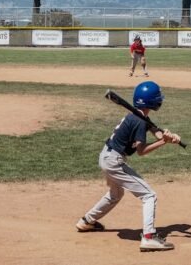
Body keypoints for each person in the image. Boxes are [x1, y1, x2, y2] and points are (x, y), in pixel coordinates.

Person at [75, 81, 182, 252]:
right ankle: (148, 238)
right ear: (152, 101)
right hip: (114, 161)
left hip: (106, 157)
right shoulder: (139, 120)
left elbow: (155, 129)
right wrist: (163, 141)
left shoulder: (138, 116)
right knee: (149, 195)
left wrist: (169, 137)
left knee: (115, 194)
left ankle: (87, 221)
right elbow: (141, 151)